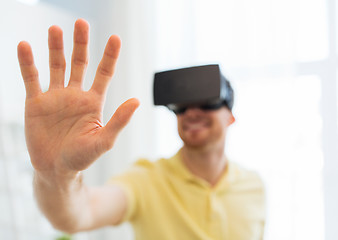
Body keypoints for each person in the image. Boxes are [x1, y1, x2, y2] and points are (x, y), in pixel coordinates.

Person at [17, 19, 265, 240]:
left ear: (231, 116)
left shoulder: (254, 187)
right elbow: (77, 216)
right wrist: (57, 174)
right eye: (181, 106)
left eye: (207, 102)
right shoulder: (146, 179)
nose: (192, 112)